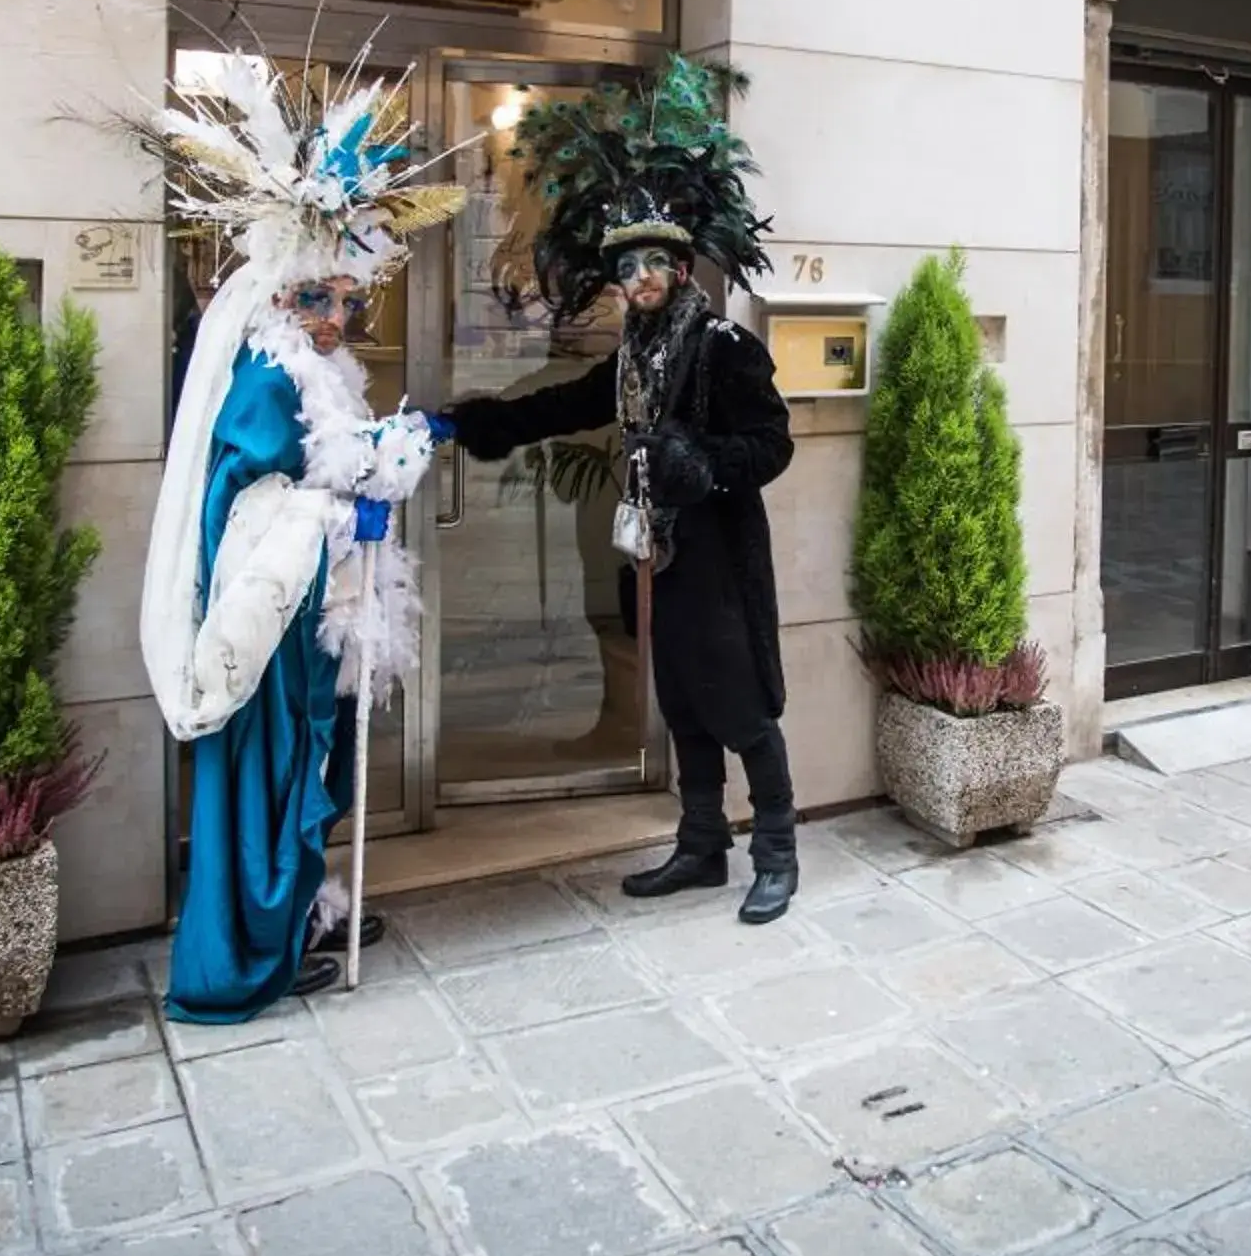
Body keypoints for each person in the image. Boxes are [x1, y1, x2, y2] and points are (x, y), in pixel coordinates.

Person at [136, 54, 459, 1019]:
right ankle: (246, 955)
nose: (337, 317)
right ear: (279, 298)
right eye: (318, 300)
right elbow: (244, 504)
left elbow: (335, 458)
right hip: (273, 625)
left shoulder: (328, 376)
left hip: (315, 613)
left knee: (312, 765)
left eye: (349, 300)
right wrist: (349, 501)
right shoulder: (267, 382)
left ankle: (306, 911)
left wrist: (379, 455)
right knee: (274, 772)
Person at [444, 58, 801, 923]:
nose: (637, 279)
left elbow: (772, 443)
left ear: (681, 268)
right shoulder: (632, 354)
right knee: (675, 694)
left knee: (740, 704)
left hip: (716, 552)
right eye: (626, 268)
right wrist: (478, 422)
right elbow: (571, 402)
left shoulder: (723, 348)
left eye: (652, 264)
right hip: (652, 551)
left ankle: (778, 853)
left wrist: (705, 464)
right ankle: (701, 844)